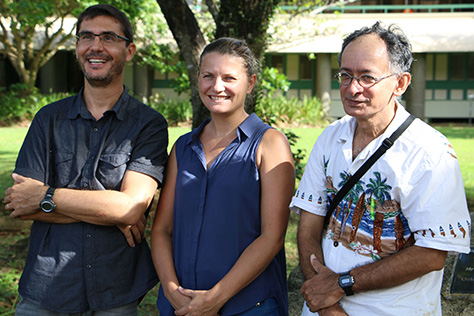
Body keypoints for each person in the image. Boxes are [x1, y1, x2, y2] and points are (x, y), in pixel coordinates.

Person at [291, 22, 471, 316]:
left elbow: (432, 254)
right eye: (345, 75)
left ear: (400, 84)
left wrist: (341, 284)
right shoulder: (331, 137)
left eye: (367, 77)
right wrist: (325, 303)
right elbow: (310, 222)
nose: (352, 88)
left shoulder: (429, 152)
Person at [3, 4, 168, 315]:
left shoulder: (148, 124)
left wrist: (47, 197)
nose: (96, 47)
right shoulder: (47, 120)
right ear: (77, 47)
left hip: (115, 289)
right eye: (86, 37)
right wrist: (112, 212)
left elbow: (130, 207)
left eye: (108, 37)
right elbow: (22, 204)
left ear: (129, 50)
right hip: (46, 287)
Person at [150, 37, 295, 316]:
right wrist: (171, 291)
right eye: (208, 76)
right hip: (181, 306)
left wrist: (214, 299)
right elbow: (161, 230)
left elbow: (272, 237)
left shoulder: (270, 144)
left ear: (250, 83)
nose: (217, 87)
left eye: (229, 77)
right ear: (198, 79)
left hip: (249, 306)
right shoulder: (182, 147)